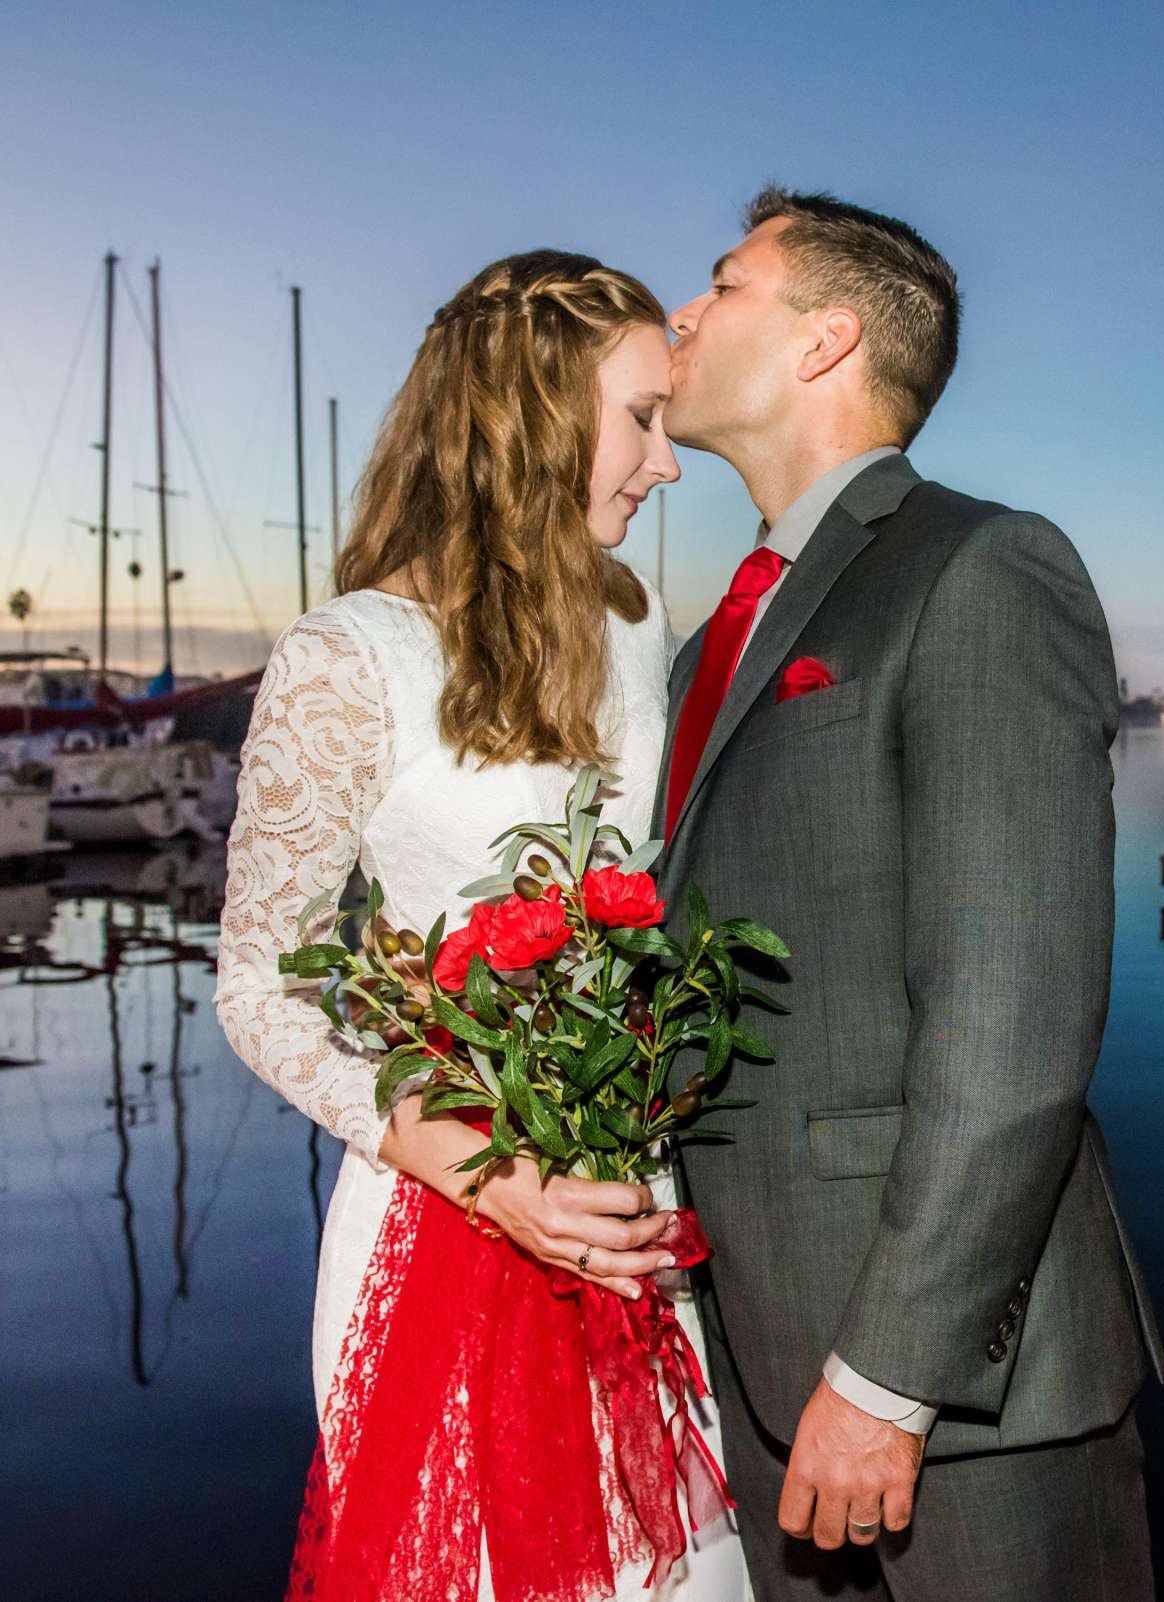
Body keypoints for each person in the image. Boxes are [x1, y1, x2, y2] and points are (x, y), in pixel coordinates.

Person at [654, 188, 1162, 1602]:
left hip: (955, 1401)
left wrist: (889, 1375)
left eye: (725, 285)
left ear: (827, 338)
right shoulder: (711, 645)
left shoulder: (981, 567)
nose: (682, 314)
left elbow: (1013, 1012)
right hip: (749, 1363)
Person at [215, 251, 747, 1601]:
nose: (668, 463)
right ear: (531, 416)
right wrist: (487, 1170)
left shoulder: (639, 623)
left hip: (626, 1201)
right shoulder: (349, 657)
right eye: (641, 418)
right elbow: (260, 990)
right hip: (445, 1208)